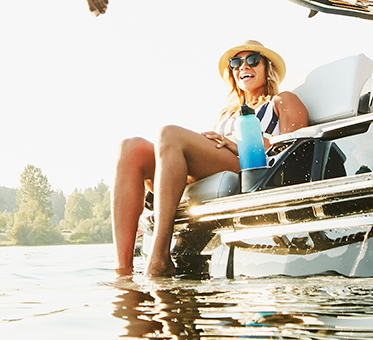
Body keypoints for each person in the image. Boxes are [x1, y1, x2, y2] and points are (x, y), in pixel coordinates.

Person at [110, 40, 309, 276]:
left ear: (268, 68)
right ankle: (123, 270)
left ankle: (158, 256)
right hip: (213, 167)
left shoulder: (282, 100)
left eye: (253, 60)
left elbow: (291, 148)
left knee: (169, 133)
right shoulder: (227, 113)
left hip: (249, 166)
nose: (243, 66)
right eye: (236, 63)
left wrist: (236, 144)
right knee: (130, 148)